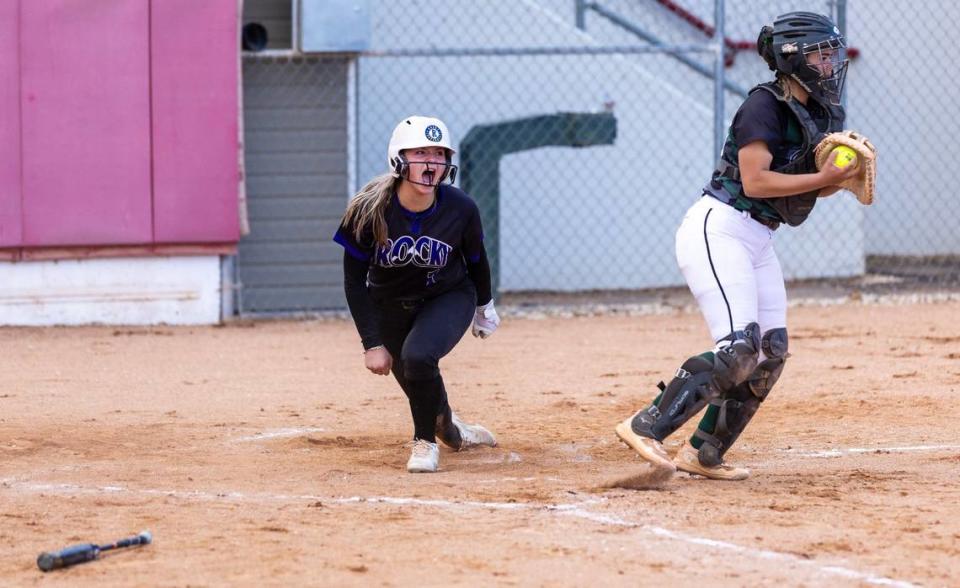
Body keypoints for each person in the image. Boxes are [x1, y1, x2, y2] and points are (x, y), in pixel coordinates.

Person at [615, 12, 861, 480]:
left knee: (770, 351)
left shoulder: (824, 113)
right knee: (738, 349)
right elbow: (756, 180)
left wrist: (838, 182)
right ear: (792, 57)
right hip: (720, 227)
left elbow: (799, 186)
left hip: (760, 238)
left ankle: (704, 452)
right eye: (819, 52)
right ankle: (645, 424)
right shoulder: (763, 106)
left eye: (831, 52)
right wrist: (827, 177)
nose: (830, 62)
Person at [334, 115, 501, 473]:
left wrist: (484, 306)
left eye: (439, 154)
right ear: (399, 159)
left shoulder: (461, 208)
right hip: (388, 305)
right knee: (426, 397)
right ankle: (455, 432)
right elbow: (353, 281)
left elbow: (476, 261)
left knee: (420, 356)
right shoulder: (368, 209)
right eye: (421, 153)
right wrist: (372, 343)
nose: (431, 163)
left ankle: (423, 445)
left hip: (448, 296)